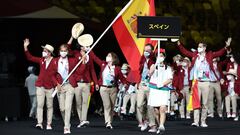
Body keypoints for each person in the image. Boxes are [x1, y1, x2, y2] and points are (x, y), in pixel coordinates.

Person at [177, 38, 231, 127]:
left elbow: (219, 53)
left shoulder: (209, 55)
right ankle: (195, 121)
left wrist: (226, 46)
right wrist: (179, 44)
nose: (199, 48)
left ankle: (203, 121)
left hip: (206, 82)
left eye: (201, 47)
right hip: (197, 82)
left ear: (205, 48)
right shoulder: (195, 54)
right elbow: (185, 52)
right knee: (196, 102)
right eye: (198, 47)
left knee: (205, 103)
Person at [52, 44, 86, 134]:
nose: (63, 52)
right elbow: (52, 75)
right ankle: (66, 123)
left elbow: (79, 71)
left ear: (67, 52)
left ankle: (66, 126)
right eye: (61, 50)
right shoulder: (55, 61)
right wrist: (57, 84)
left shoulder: (72, 60)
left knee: (68, 107)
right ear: (59, 51)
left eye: (65, 50)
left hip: (70, 85)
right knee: (62, 108)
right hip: (60, 86)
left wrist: (83, 62)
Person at [23, 38, 56, 130]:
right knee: (40, 105)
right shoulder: (41, 60)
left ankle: (49, 124)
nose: (43, 52)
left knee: (49, 106)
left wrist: (57, 84)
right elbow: (30, 57)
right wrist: (25, 47)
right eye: (43, 50)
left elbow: (57, 74)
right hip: (40, 86)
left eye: (45, 51)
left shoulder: (55, 61)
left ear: (49, 52)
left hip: (50, 87)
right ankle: (39, 123)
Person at [67, 34, 98, 128]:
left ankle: (83, 120)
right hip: (77, 83)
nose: (87, 47)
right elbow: (67, 49)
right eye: (86, 45)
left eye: (88, 46)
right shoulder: (75, 53)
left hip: (87, 83)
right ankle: (81, 120)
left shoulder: (90, 56)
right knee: (78, 102)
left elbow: (92, 70)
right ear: (81, 46)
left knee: (85, 102)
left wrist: (96, 82)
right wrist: (71, 38)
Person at [91, 52, 127, 129]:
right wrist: (89, 49)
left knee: (112, 106)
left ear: (113, 58)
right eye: (107, 55)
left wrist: (125, 85)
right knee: (107, 105)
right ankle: (108, 122)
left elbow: (122, 79)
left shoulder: (117, 68)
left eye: (109, 56)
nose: (107, 57)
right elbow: (95, 58)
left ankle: (110, 121)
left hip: (113, 89)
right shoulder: (103, 64)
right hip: (104, 88)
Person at [148, 50, 173, 134]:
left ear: (164, 57)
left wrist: (162, 84)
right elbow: (150, 73)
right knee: (156, 111)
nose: (160, 57)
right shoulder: (153, 66)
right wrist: (156, 64)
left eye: (161, 56)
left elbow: (170, 79)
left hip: (163, 90)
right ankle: (159, 126)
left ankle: (162, 125)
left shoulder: (168, 68)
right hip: (154, 90)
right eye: (158, 56)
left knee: (162, 109)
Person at [136, 44, 157, 132]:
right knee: (139, 105)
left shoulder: (154, 61)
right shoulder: (142, 60)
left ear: (151, 51)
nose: (146, 52)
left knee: (150, 106)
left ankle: (153, 126)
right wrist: (138, 82)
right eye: (145, 50)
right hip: (142, 84)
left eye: (148, 50)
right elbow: (140, 72)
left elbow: (153, 70)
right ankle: (145, 120)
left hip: (150, 85)